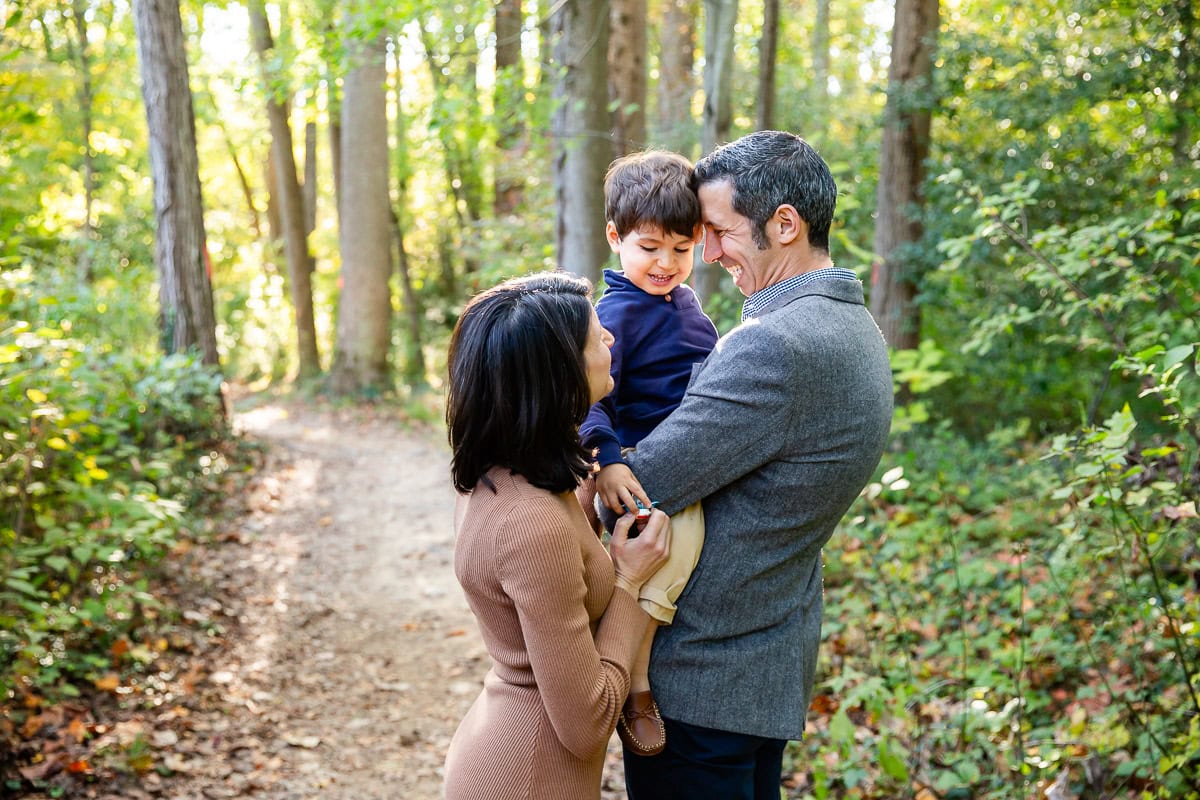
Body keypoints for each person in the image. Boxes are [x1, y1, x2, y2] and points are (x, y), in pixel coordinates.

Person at [597, 131, 894, 799]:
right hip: (765, 658)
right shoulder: (854, 327)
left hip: (706, 676)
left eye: (720, 231)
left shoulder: (777, 346)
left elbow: (647, 485)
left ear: (783, 224)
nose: (707, 254)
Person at [443, 271, 672, 800]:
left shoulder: (507, 476)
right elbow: (587, 723)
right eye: (597, 335)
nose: (611, 339)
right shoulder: (531, 522)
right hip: (527, 777)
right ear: (558, 373)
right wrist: (632, 584)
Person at [579, 150, 719, 757]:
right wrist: (608, 461)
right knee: (675, 543)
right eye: (649, 247)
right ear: (615, 238)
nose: (666, 264)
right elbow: (585, 401)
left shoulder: (686, 307)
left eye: (681, 250)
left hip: (693, 454)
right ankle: (634, 689)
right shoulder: (610, 316)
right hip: (639, 465)